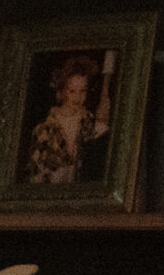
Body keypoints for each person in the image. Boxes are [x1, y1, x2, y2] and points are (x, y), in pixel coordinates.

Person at [23, 54, 108, 184]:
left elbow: (98, 145)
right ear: (62, 91)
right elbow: (36, 171)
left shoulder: (88, 120)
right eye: (72, 91)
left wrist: (104, 120)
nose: (78, 97)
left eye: (83, 91)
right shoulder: (45, 128)